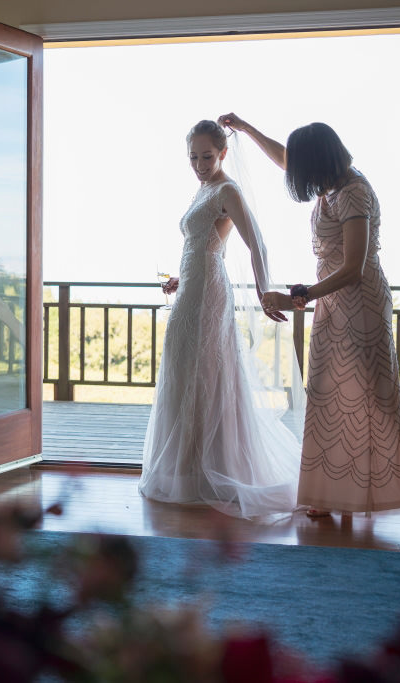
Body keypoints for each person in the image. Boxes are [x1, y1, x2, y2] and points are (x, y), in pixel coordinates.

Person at [219, 113, 400, 530]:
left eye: (304, 169)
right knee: (330, 396)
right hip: (332, 303)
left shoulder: (353, 194)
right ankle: (331, 493)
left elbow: (354, 267)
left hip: (359, 302)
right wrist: (247, 128)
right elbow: (285, 158)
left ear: (320, 163)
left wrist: (300, 298)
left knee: (381, 399)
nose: (298, 176)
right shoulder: (333, 186)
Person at [138, 120, 306, 519]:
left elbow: (257, 242)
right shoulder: (205, 188)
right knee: (186, 373)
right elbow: (203, 242)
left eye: (206, 156)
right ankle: (188, 472)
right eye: (193, 157)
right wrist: (182, 276)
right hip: (192, 288)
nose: (198, 163)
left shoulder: (228, 189)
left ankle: (212, 472)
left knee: (207, 376)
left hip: (209, 293)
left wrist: (266, 292)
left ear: (223, 153)